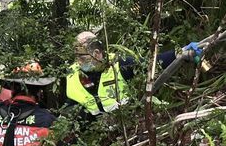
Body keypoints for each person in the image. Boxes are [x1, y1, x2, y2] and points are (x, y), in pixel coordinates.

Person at [65, 31, 201, 117]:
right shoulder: (72, 74)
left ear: (96, 53)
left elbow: (151, 64)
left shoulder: (119, 63)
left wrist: (181, 52)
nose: (79, 62)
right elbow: (69, 107)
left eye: (82, 58)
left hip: (124, 125)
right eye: (77, 57)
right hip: (92, 135)